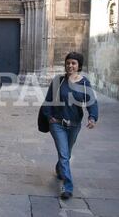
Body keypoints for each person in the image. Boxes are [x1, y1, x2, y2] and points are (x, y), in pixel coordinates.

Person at [42, 52, 98, 200]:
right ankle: (67, 187)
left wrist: (92, 117)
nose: (70, 66)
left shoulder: (84, 83)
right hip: (57, 124)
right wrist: (49, 118)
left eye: (73, 63)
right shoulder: (58, 81)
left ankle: (60, 169)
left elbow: (91, 101)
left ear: (79, 65)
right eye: (68, 63)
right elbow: (47, 101)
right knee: (64, 154)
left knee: (66, 152)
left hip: (74, 125)